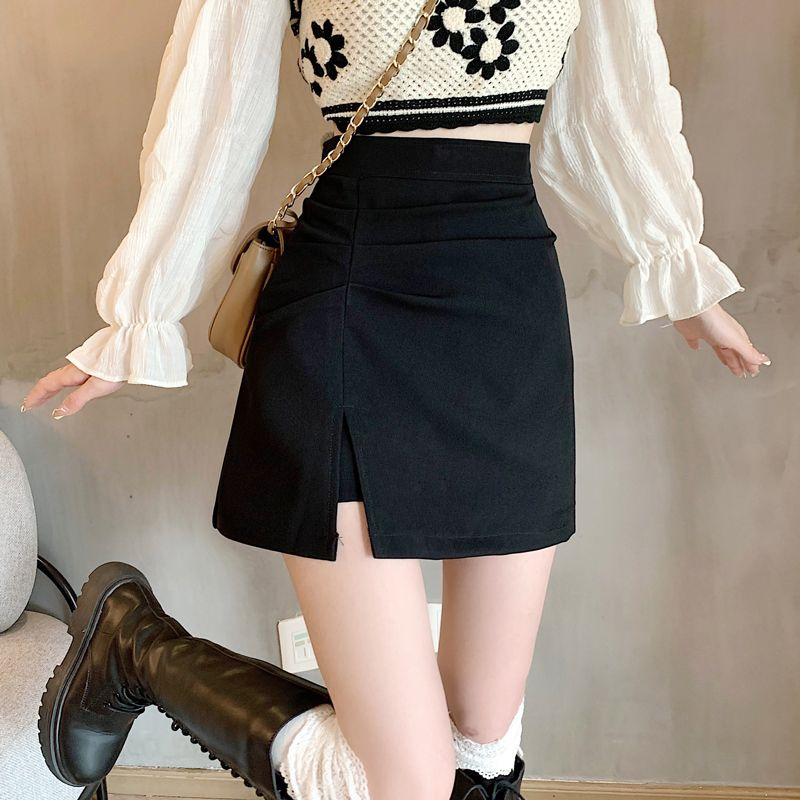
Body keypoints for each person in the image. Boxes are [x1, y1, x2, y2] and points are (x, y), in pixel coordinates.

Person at [26, 1, 771, 800]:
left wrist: (675, 265)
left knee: (482, 741)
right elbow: (215, 101)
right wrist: (139, 318)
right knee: (408, 781)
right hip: (353, 292)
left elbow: (614, 95)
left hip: (508, 311)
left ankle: (138, 645)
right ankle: (137, 647)